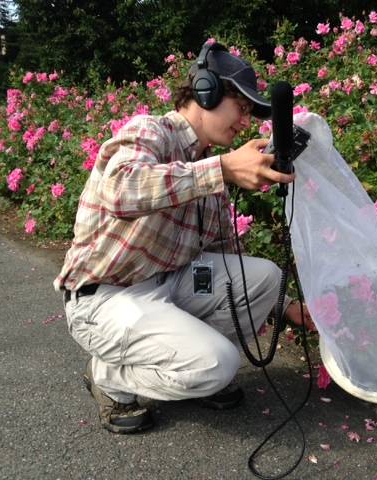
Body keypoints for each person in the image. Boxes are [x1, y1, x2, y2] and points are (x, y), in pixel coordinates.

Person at [53, 42, 313, 434]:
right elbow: (121, 192)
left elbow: (224, 254)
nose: (245, 122)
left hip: (168, 283)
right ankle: (109, 376)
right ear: (205, 91)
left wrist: (288, 305)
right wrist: (221, 168)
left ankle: (190, 371)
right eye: (241, 108)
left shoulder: (213, 168)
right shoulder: (149, 131)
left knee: (266, 279)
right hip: (105, 298)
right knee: (217, 365)